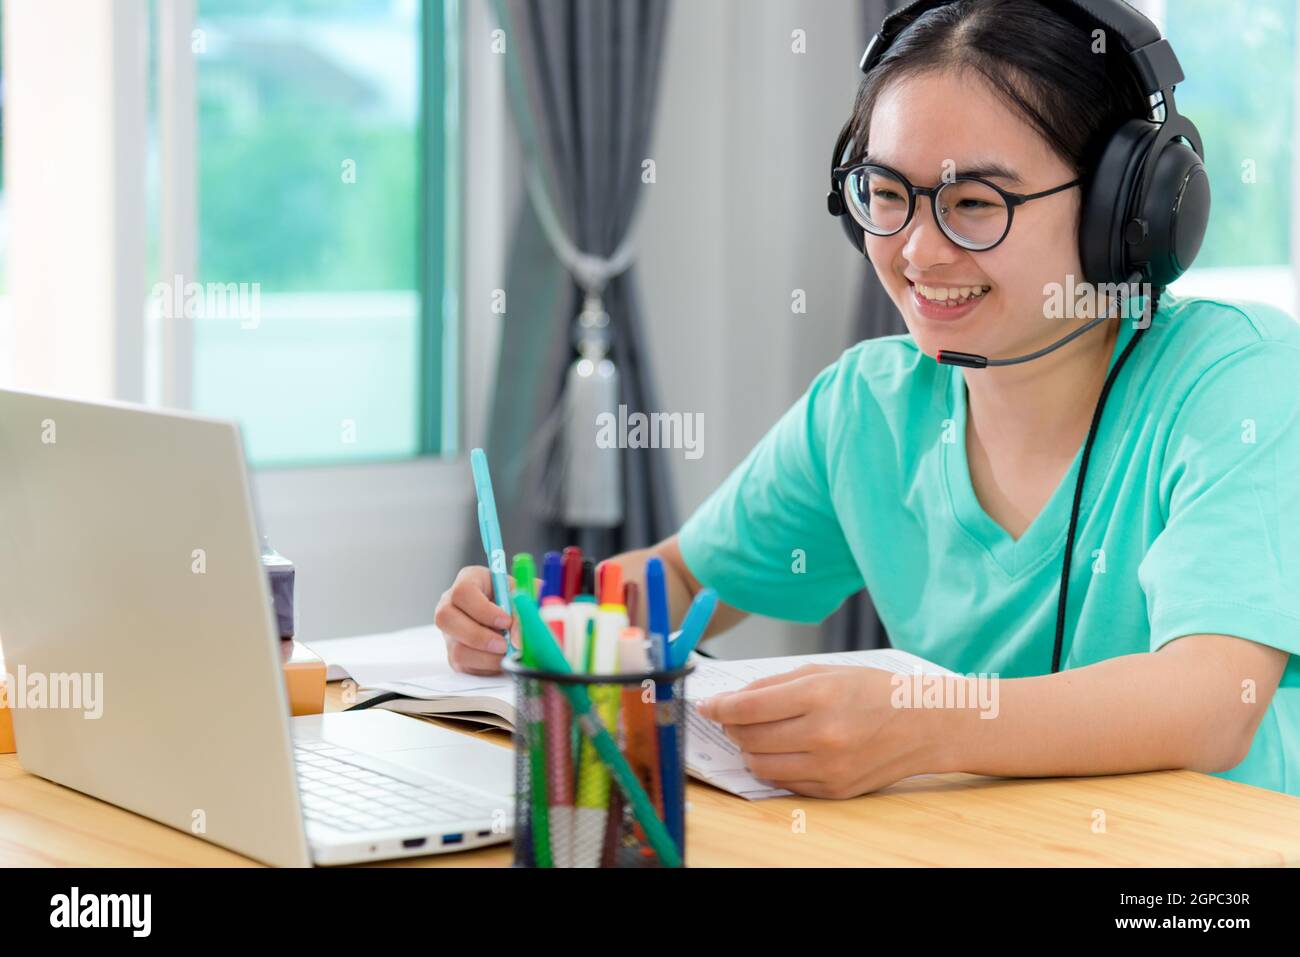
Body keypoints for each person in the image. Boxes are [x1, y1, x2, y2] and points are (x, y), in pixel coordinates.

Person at [436, 0, 1300, 800]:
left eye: (974, 203)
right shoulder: (869, 407)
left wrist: (920, 723)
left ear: (1126, 211)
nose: (918, 251)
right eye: (887, 196)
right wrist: (541, 615)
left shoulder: (1237, 377)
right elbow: (689, 580)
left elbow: (1211, 698)